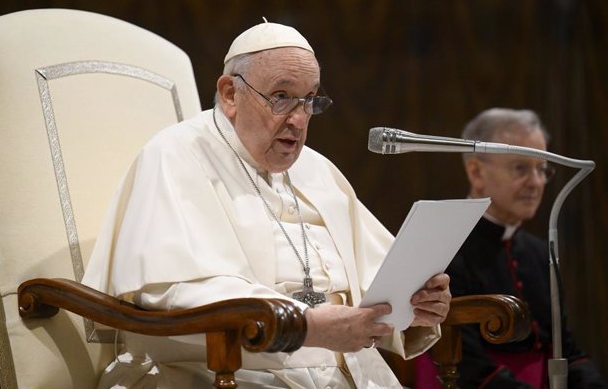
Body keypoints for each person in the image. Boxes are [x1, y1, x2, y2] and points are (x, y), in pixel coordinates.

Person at [82, 20, 452, 388]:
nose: (298, 119)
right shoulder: (176, 154)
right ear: (230, 94)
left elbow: (375, 277)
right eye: (281, 97)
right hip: (230, 371)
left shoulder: (318, 168)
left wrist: (415, 302)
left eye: (309, 101)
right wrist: (304, 324)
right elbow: (170, 290)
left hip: (352, 372)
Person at [442, 108, 608, 388]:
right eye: (520, 168)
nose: (536, 182)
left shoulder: (540, 252)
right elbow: (469, 365)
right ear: (476, 172)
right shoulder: (444, 247)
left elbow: (565, 348)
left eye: (542, 169)